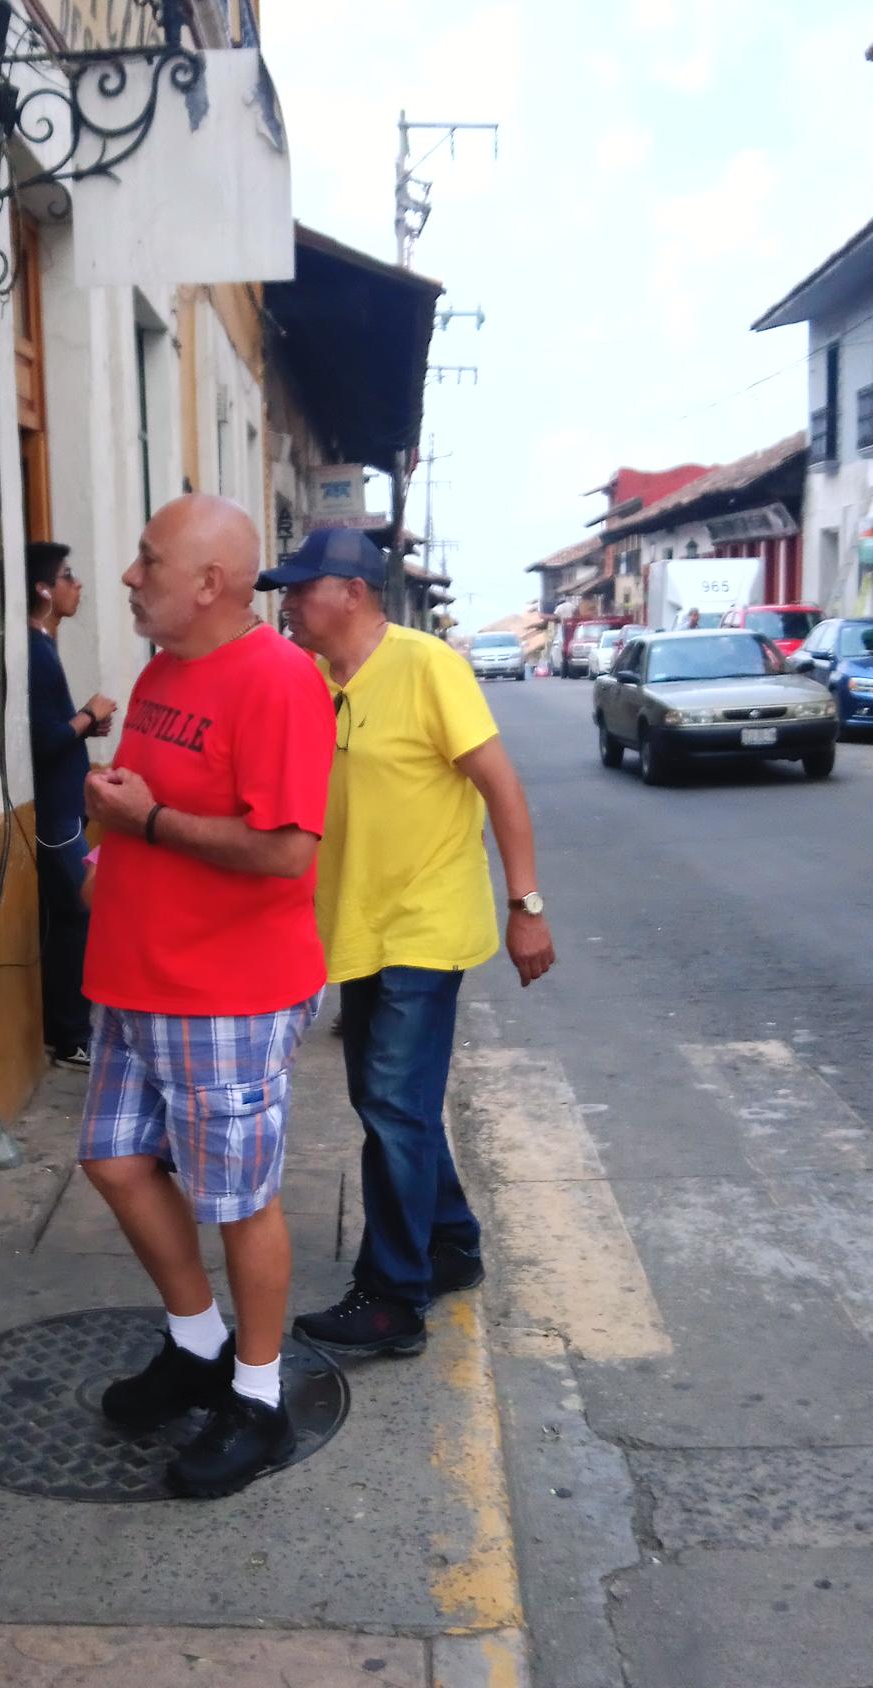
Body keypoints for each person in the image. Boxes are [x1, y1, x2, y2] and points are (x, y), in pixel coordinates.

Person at [76, 493, 333, 1499]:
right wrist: (115, 839)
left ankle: (258, 1397)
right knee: (109, 1159)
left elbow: (285, 850)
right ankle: (196, 1341)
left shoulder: (277, 682)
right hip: (135, 970)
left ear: (209, 584)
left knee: (238, 1196)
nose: (130, 577)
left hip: (227, 989)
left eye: (147, 561)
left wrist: (151, 826)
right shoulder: (161, 669)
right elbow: (150, 799)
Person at [268, 529, 555, 1359]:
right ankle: (451, 1242)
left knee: (392, 1107)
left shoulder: (428, 666)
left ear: (352, 592)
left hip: (424, 926)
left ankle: (394, 1297)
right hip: (356, 925)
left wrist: (526, 904)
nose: (287, 601)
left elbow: (501, 784)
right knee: (394, 1103)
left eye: (299, 587)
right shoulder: (314, 679)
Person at [25, 540, 115, 1068]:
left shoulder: (45, 645)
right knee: (76, 914)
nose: (75, 585)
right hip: (56, 811)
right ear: (44, 589)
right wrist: (87, 717)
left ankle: (72, 1027)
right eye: (66, 576)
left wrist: (82, 721)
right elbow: (44, 739)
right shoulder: (36, 652)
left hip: (65, 804)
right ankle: (70, 1033)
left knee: (70, 916)